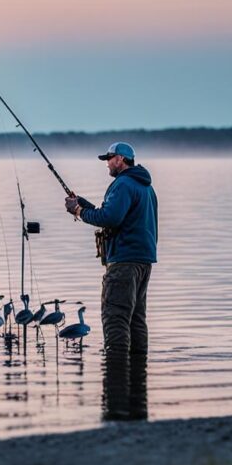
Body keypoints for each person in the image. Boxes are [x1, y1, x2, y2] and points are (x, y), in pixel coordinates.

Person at [64, 141, 157, 419]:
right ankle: (137, 376)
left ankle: (116, 377)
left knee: (115, 316)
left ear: (122, 159)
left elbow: (111, 218)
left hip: (124, 262)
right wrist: (85, 205)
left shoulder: (124, 185)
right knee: (136, 318)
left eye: (110, 158)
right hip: (143, 260)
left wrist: (78, 212)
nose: (107, 163)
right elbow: (113, 215)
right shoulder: (144, 186)